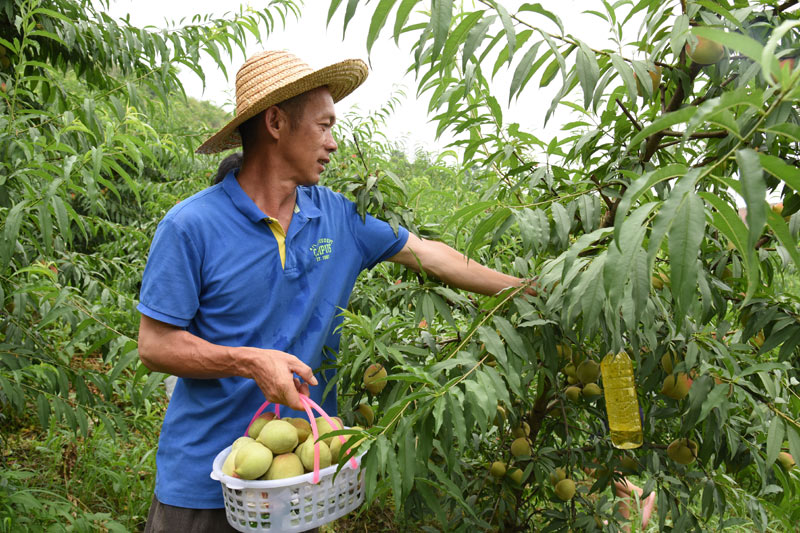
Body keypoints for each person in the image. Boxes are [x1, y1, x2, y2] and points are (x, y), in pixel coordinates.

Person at [136, 50, 535, 532]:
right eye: (324, 126)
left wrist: (526, 289)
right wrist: (248, 361)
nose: (333, 143)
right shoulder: (191, 226)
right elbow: (155, 345)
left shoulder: (339, 217)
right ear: (277, 122)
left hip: (298, 481)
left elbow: (429, 253)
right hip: (204, 484)